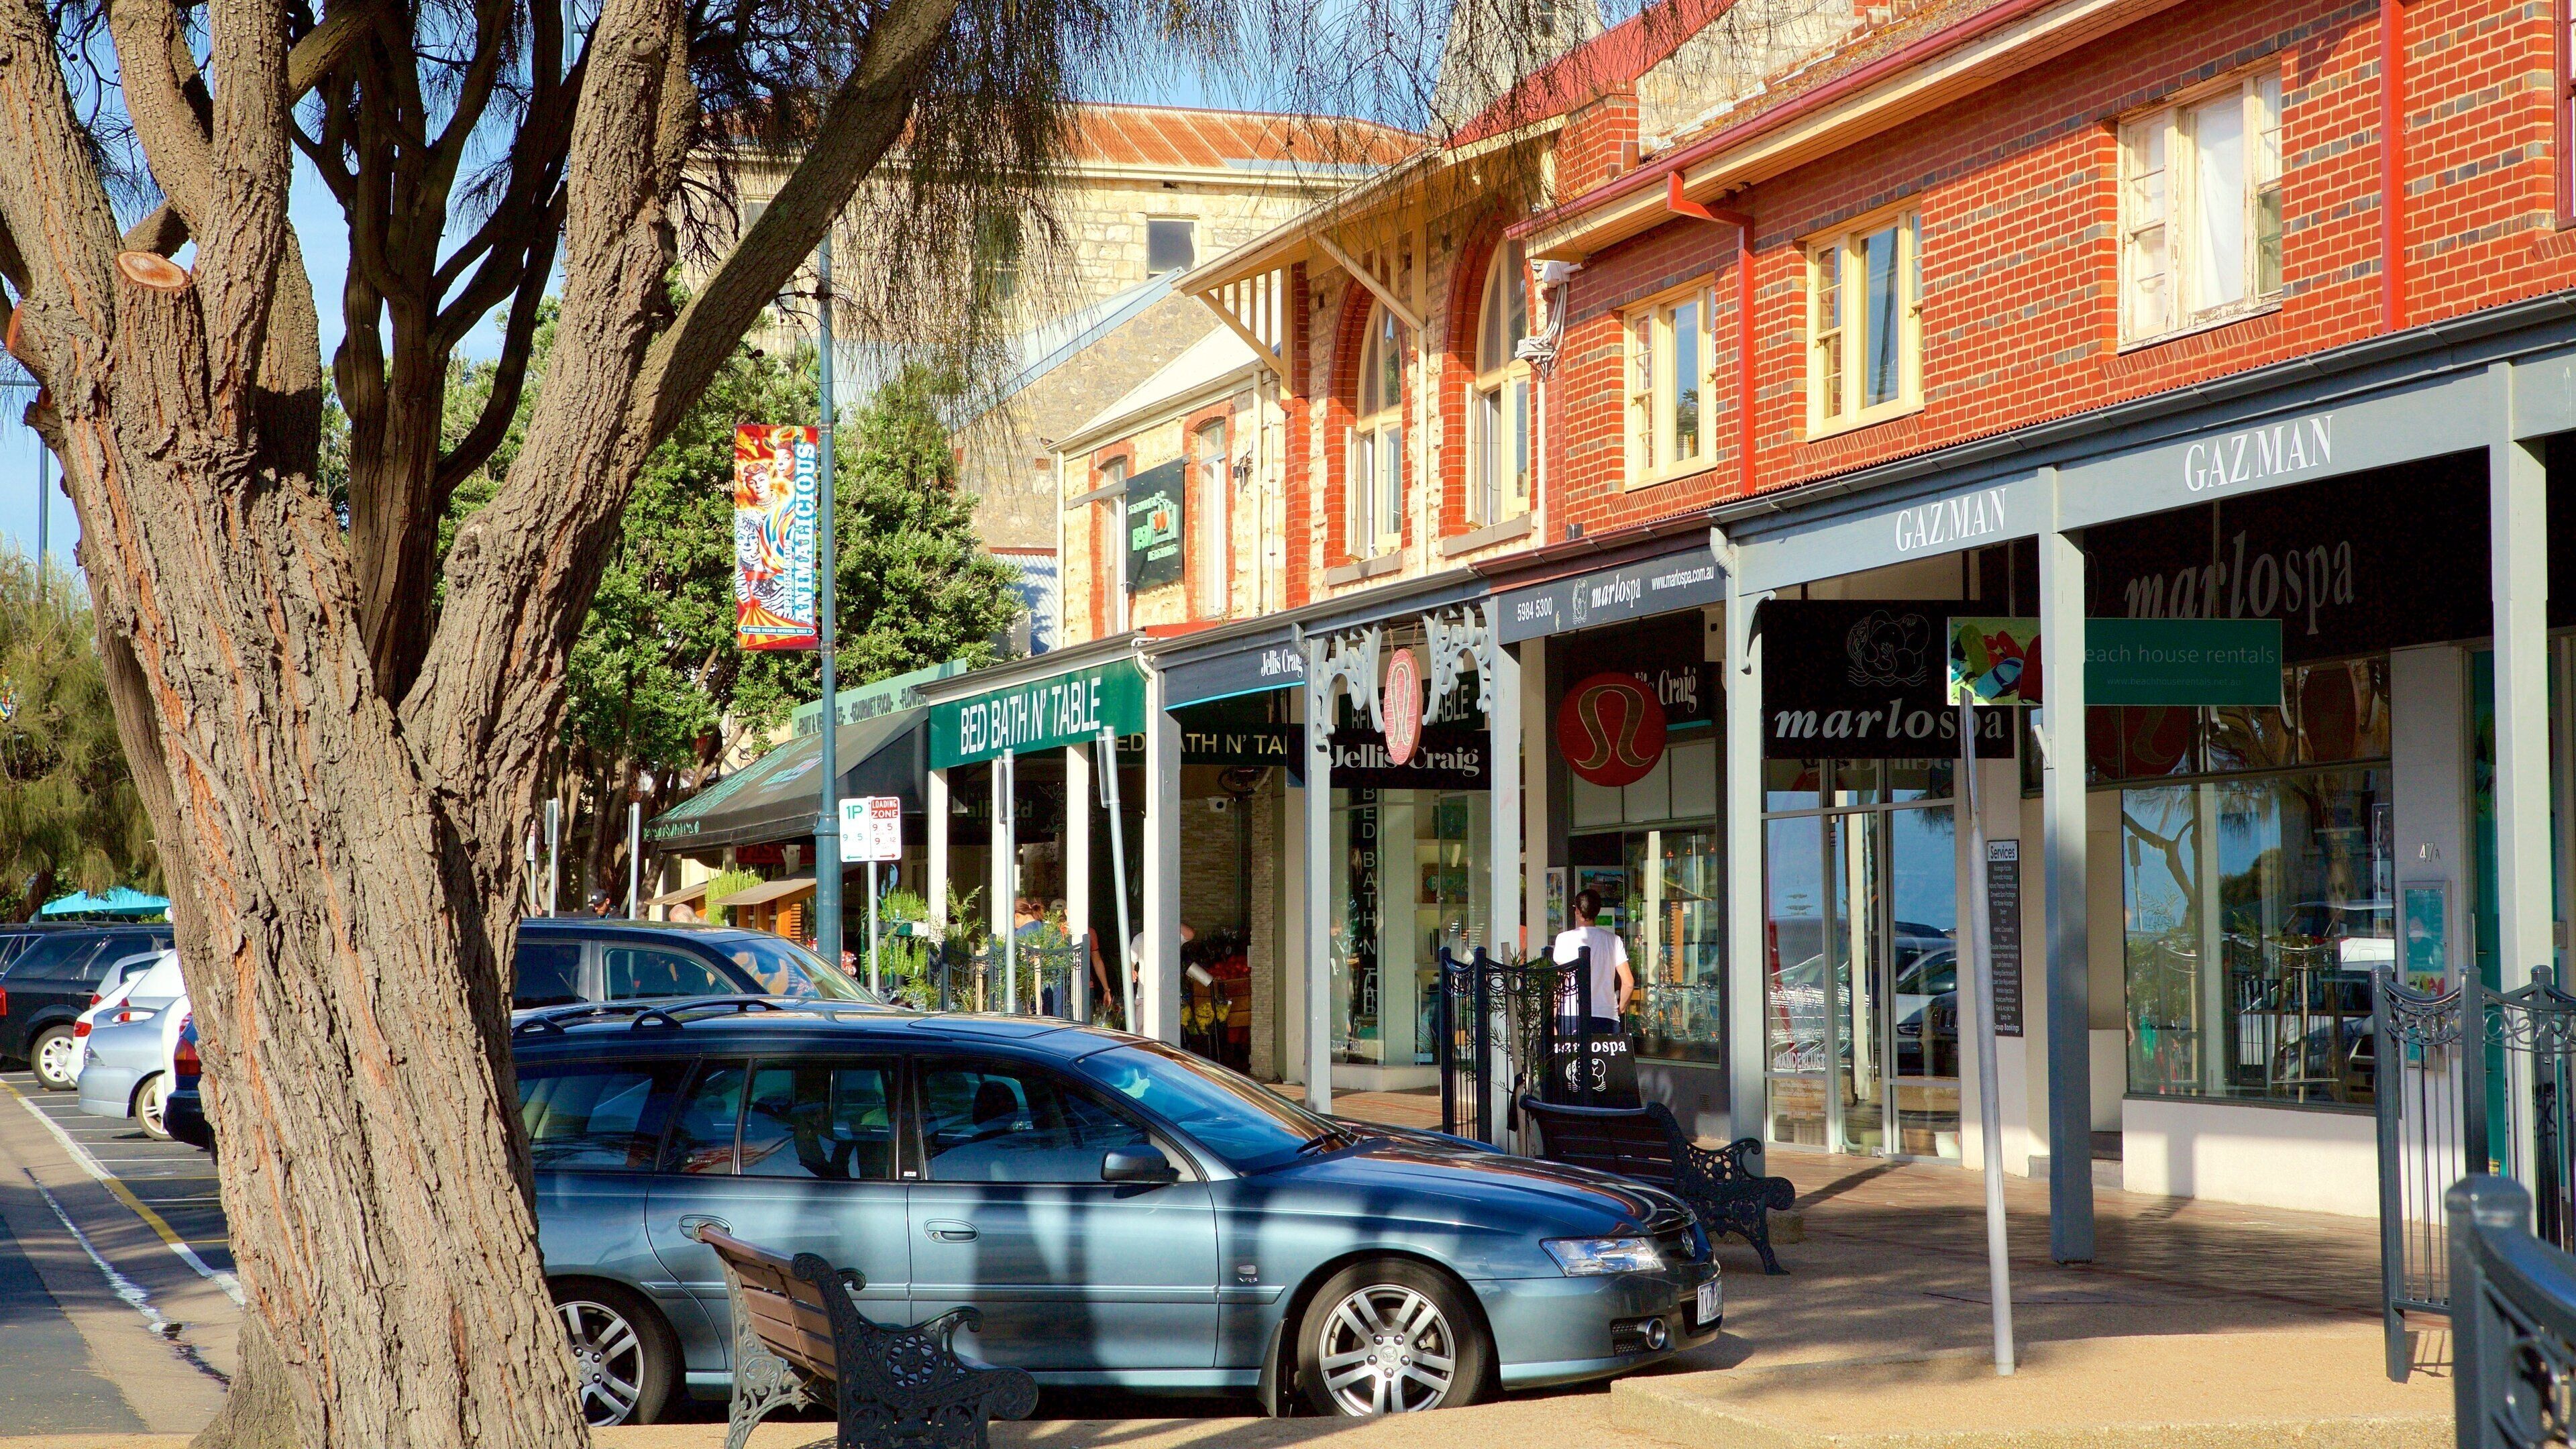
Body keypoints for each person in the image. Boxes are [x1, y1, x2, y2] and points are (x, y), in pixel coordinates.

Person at [1550, 889, 1634, 1022]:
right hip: (1605, 1014)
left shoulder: (1563, 939)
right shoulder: (1613, 940)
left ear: (1577, 911)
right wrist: (1621, 1008)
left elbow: (1560, 982)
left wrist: (1552, 1018)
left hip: (1571, 1012)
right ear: (1598, 912)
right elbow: (1628, 983)